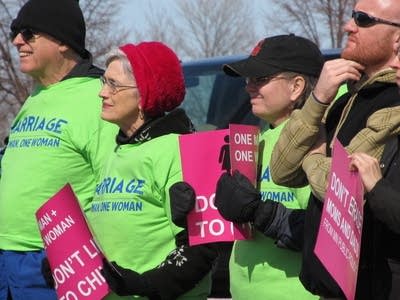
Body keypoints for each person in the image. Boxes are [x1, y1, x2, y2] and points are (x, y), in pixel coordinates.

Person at [270, 0, 400, 299]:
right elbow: (281, 170)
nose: (349, 26)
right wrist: (317, 100)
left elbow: (343, 184)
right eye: (353, 16)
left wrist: (313, 157)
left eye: (363, 19)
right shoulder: (344, 100)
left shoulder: (393, 101)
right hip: (329, 287)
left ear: (397, 39)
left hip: (372, 286)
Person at [0, 0, 118, 299]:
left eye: (28, 33)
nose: (16, 41)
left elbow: (114, 184)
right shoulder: (36, 96)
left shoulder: (99, 95)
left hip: (57, 264)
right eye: (16, 33)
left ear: (63, 42)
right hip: (7, 259)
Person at [86, 42, 217, 300]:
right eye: (104, 81)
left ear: (145, 93)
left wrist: (147, 285)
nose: (102, 92)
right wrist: (73, 269)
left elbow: (202, 248)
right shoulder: (114, 151)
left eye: (113, 84)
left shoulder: (178, 150)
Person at [212, 34, 322, 299]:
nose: (248, 87)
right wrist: (192, 211)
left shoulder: (317, 141)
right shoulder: (258, 139)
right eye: (248, 79)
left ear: (296, 87)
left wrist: (262, 213)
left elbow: (324, 232)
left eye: (260, 79)